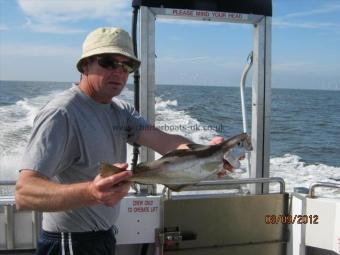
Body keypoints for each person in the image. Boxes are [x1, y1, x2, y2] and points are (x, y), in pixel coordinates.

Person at [15, 27, 233, 255]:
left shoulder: (120, 110)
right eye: (108, 62)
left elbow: (166, 142)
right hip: (67, 243)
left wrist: (209, 154)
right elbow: (25, 193)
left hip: (105, 236)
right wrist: (91, 192)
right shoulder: (61, 114)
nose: (119, 72)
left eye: (126, 66)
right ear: (85, 65)